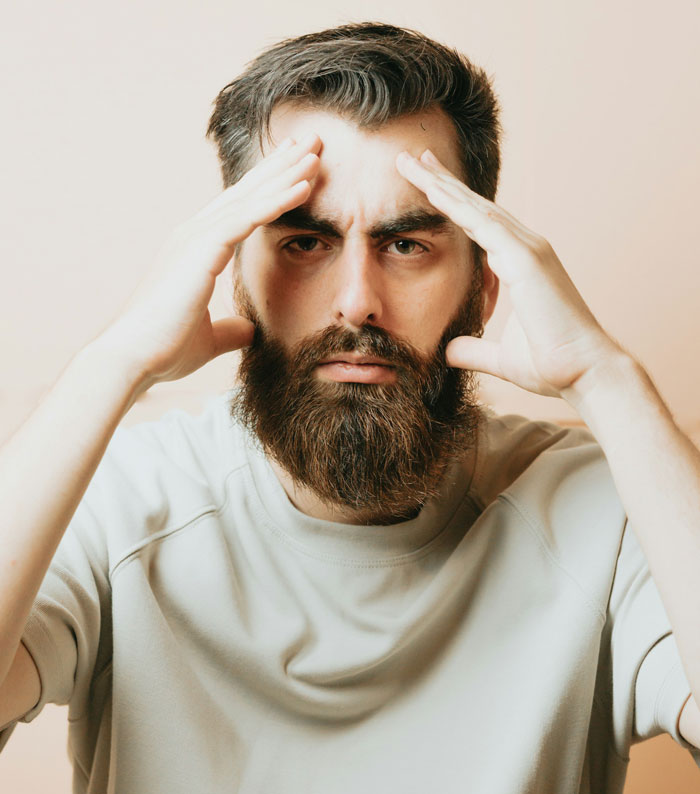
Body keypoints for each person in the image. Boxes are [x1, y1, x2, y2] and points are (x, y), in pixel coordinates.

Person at [1, 20, 699, 793]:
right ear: (235, 274)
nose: (357, 302)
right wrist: (114, 364)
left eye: (407, 244)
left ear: (485, 285)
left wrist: (609, 381)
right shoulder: (119, 501)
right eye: (305, 242)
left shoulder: (610, 509)